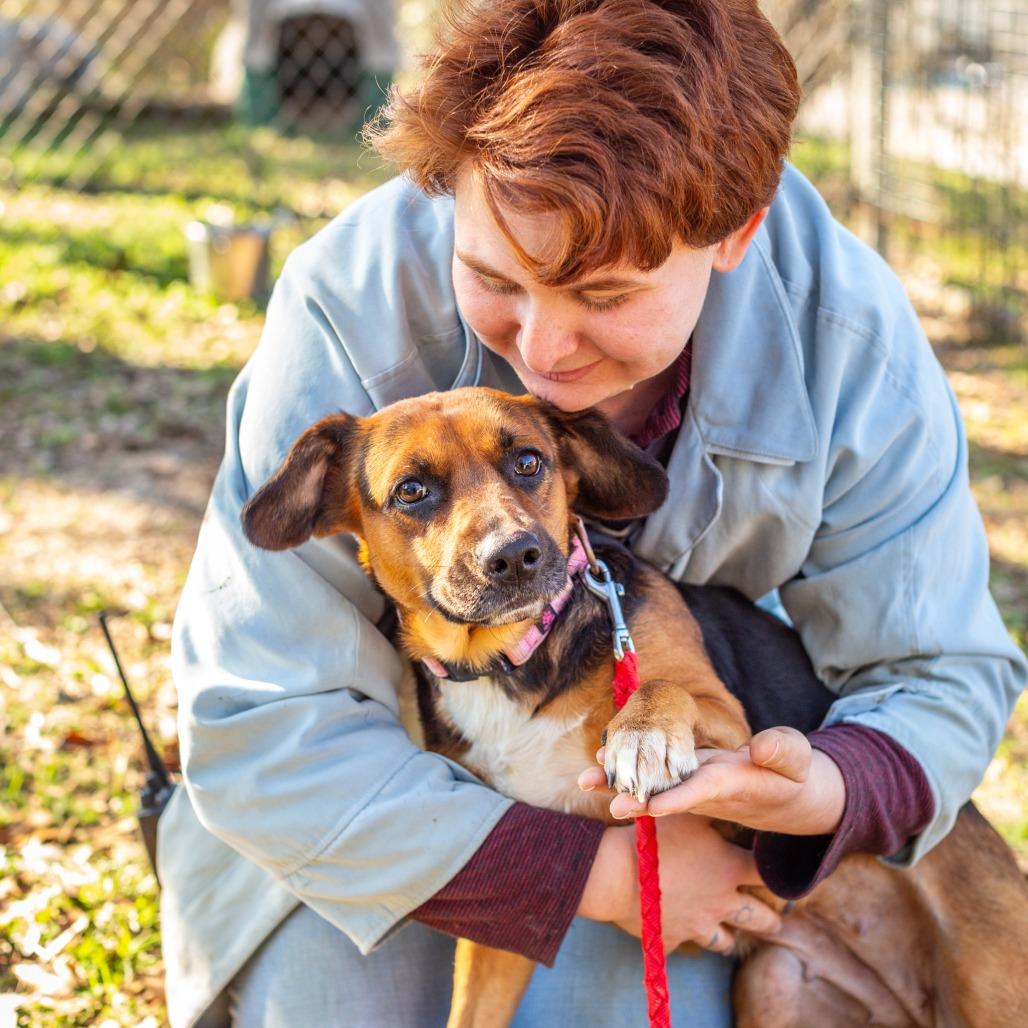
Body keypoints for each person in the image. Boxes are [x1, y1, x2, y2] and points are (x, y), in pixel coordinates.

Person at [159, 1, 1026, 1025]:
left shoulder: (846, 336)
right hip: (351, 806)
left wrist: (825, 791)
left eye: (606, 297)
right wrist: (594, 875)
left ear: (735, 233)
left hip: (698, 818)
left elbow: (940, 669)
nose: (544, 350)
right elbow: (259, 722)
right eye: (492, 277)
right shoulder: (341, 309)